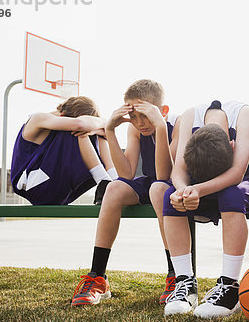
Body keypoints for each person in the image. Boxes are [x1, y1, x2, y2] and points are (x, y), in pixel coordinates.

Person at [71, 79, 180, 306]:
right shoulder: (135, 129)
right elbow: (126, 174)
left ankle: (176, 276)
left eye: (145, 115)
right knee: (114, 188)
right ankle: (97, 276)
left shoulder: (176, 126)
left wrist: (160, 127)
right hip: (151, 183)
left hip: (175, 185)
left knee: (158, 189)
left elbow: (164, 174)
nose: (139, 123)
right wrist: (110, 130)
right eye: (134, 116)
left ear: (163, 111)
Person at [162, 100, 249, 319]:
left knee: (232, 194)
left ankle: (229, 286)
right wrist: (183, 191)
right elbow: (178, 171)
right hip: (200, 177)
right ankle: (185, 283)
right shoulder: (190, 115)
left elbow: (237, 173)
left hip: (248, 178)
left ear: (232, 145)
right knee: (169, 197)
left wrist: (197, 191)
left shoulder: (244, 115)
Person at [11, 95, 116, 205]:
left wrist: (100, 130)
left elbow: (95, 128)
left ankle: (114, 181)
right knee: (78, 130)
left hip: (61, 191)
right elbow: (79, 124)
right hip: (32, 186)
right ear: (62, 115)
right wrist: (104, 123)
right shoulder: (38, 118)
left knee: (100, 133)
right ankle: (103, 180)